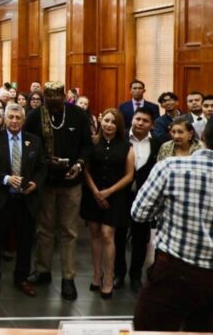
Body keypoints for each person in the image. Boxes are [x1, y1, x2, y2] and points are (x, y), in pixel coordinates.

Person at [130, 123, 213, 331]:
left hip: (175, 272)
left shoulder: (170, 167)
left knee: (151, 330)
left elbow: (139, 213)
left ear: (202, 136)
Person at [23, 82, 92, 301]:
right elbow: (27, 145)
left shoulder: (78, 115)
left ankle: (68, 277)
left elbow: (87, 145)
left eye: (56, 101)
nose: (52, 105)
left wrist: (79, 164)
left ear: (64, 98)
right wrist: (44, 160)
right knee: (44, 229)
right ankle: (43, 269)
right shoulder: (35, 116)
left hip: (72, 183)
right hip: (45, 182)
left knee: (69, 231)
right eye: (49, 101)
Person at [0, 103, 46, 297]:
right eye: (11, 117)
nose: (14, 121)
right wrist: (6, 179)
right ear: (4, 118)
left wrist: (35, 183)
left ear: (23, 120)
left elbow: (42, 167)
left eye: (18, 118)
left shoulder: (34, 141)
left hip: (26, 200)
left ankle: (22, 278)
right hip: (1, 198)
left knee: (25, 242)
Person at [80, 108, 134, 299]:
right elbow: (85, 170)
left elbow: (129, 175)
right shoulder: (92, 142)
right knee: (94, 234)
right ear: (101, 122)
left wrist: (108, 192)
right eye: (106, 121)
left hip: (115, 196)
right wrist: (96, 192)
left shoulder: (127, 146)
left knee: (107, 234)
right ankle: (97, 275)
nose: (109, 125)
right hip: (92, 194)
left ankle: (109, 278)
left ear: (118, 126)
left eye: (113, 122)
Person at [121, 107, 161, 293]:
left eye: (145, 121)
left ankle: (135, 276)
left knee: (140, 238)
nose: (140, 123)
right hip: (121, 194)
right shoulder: (121, 137)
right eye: (138, 119)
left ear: (151, 125)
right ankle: (118, 273)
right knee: (118, 236)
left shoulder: (158, 143)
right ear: (132, 119)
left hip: (145, 198)